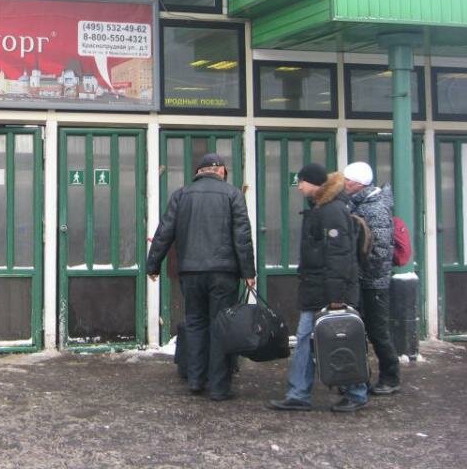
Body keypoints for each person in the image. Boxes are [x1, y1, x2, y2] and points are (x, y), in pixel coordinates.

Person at [146, 153, 255, 401]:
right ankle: (218, 387)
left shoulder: (181, 195)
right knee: (221, 326)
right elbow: (242, 236)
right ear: (221, 171)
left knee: (195, 323)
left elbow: (164, 232)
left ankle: (196, 380)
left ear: (199, 172)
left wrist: (153, 265)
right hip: (224, 273)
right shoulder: (233, 195)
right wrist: (249, 272)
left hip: (190, 272)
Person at [269, 163, 368, 413]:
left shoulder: (331, 211)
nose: (299, 187)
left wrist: (336, 297)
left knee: (333, 337)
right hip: (318, 288)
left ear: (313, 182)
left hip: (328, 291)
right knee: (312, 339)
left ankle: (352, 392)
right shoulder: (323, 207)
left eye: (301, 182)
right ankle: (300, 393)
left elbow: (339, 255)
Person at [344, 161, 401, 395]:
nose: (344, 183)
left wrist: (360, 271)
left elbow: (379, 250)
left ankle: (391, 377)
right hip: (364, 280)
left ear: (359, 183)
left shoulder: (375, 208)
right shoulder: (357, 204)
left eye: (347, 180)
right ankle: (361, 379)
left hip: (374, 282)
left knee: (378, 331)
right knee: (361, 330)